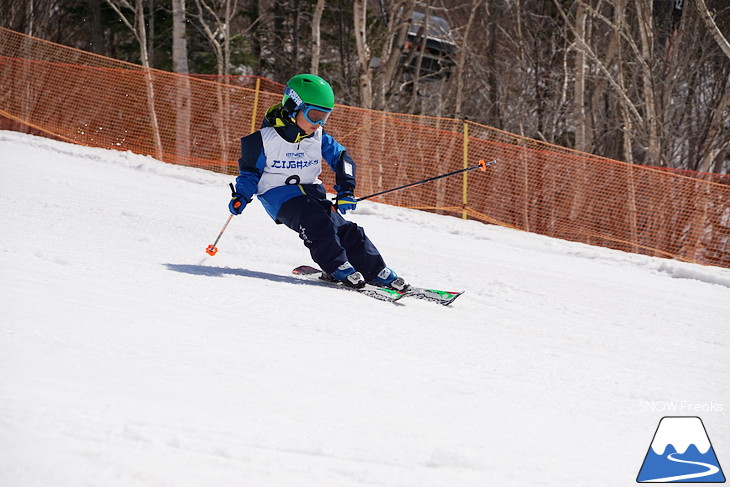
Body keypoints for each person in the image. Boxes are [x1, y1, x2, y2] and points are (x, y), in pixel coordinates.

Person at [228, 73, 409, 291]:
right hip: (280, 197)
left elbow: (342, 159)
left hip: (312, 195)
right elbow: (249, 174)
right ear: (294, 107)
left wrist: (346, 190)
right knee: (317, 223)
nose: (319, 123)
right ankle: (337, 266)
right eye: (314, 115)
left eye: (325, 117)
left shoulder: (319, 136)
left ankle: (375, 270)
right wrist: (241, 195)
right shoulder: (261, 140)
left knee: (347, 230)